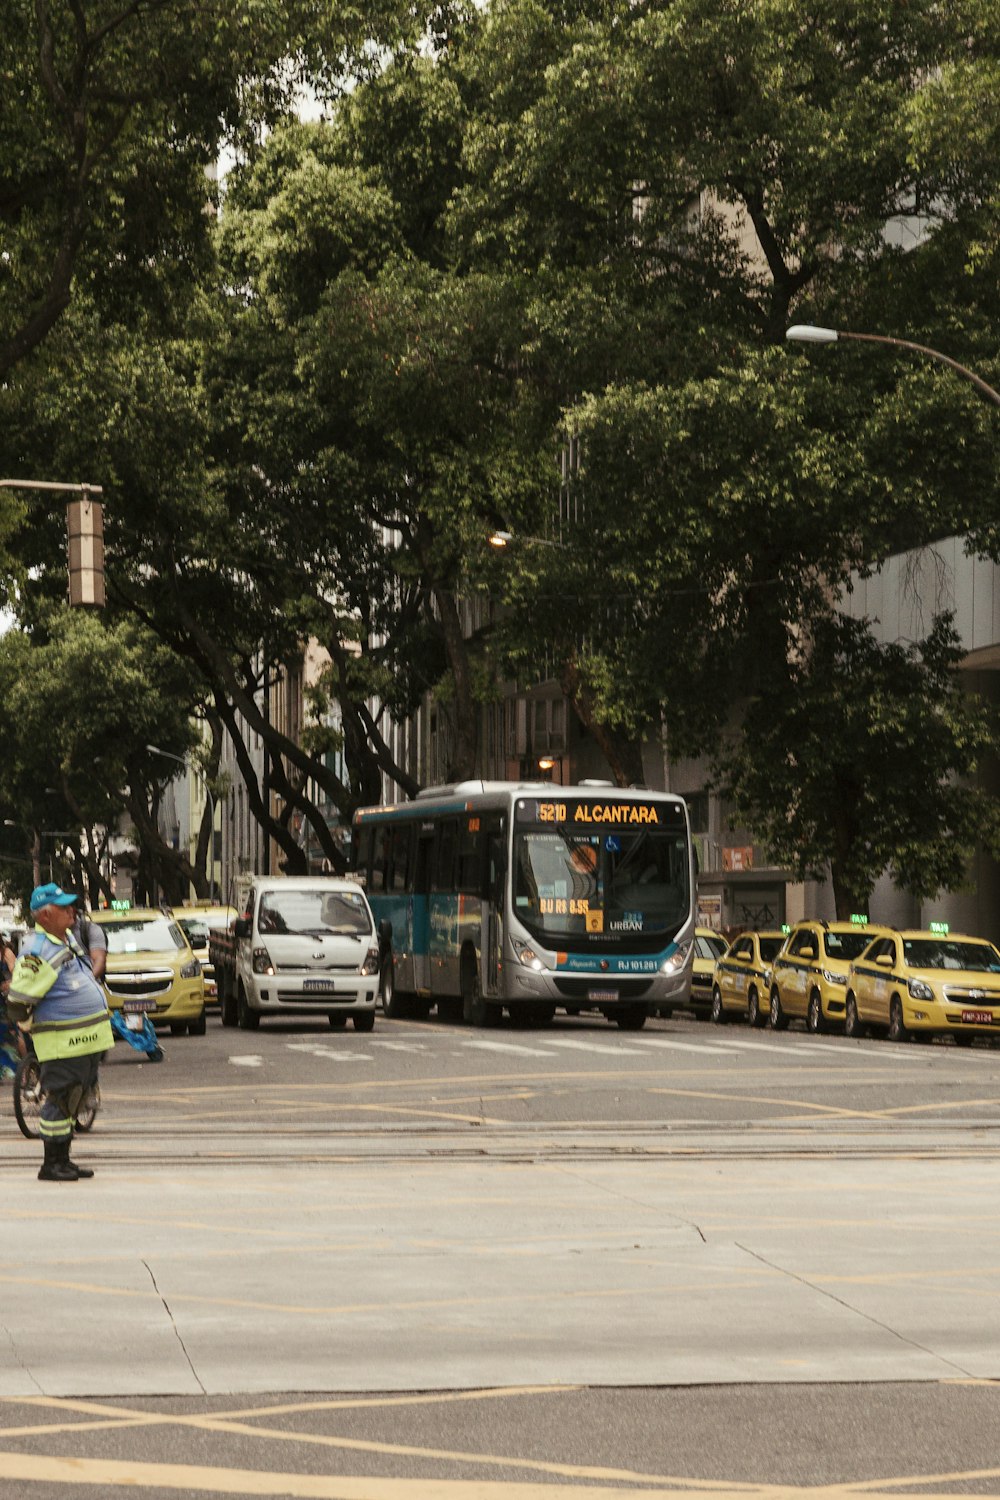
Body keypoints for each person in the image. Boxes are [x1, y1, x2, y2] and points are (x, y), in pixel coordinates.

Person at [6, 883, 113, 1182]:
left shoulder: (64, 941)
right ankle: (51, 1164)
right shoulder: (37, 952)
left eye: (71, 906)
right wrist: (28, 1026)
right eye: (64, 908)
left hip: (82, 1043)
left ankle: (64, 1159)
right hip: (63, 1044)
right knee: (61, 1100)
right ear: (44, 915)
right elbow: (19, 1001)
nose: (72, 911)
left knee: (75, 1100)